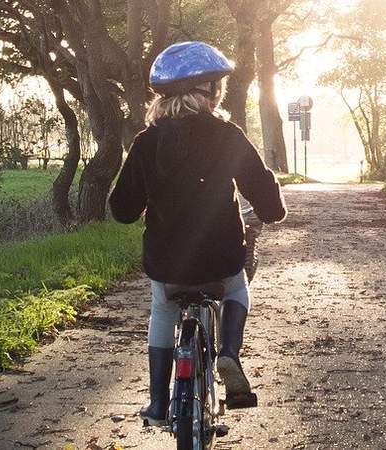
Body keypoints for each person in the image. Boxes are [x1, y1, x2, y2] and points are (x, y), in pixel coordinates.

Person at [109, 41, 287, 425]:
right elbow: (270, 205)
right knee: (238, 290)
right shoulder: (228, 136)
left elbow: (122, 211)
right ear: (211, 91)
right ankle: (229, 354)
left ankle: (158, 404)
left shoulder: (146, 142)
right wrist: (271, 208)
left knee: (162, 308)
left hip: (167, 265)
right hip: (220, 262)